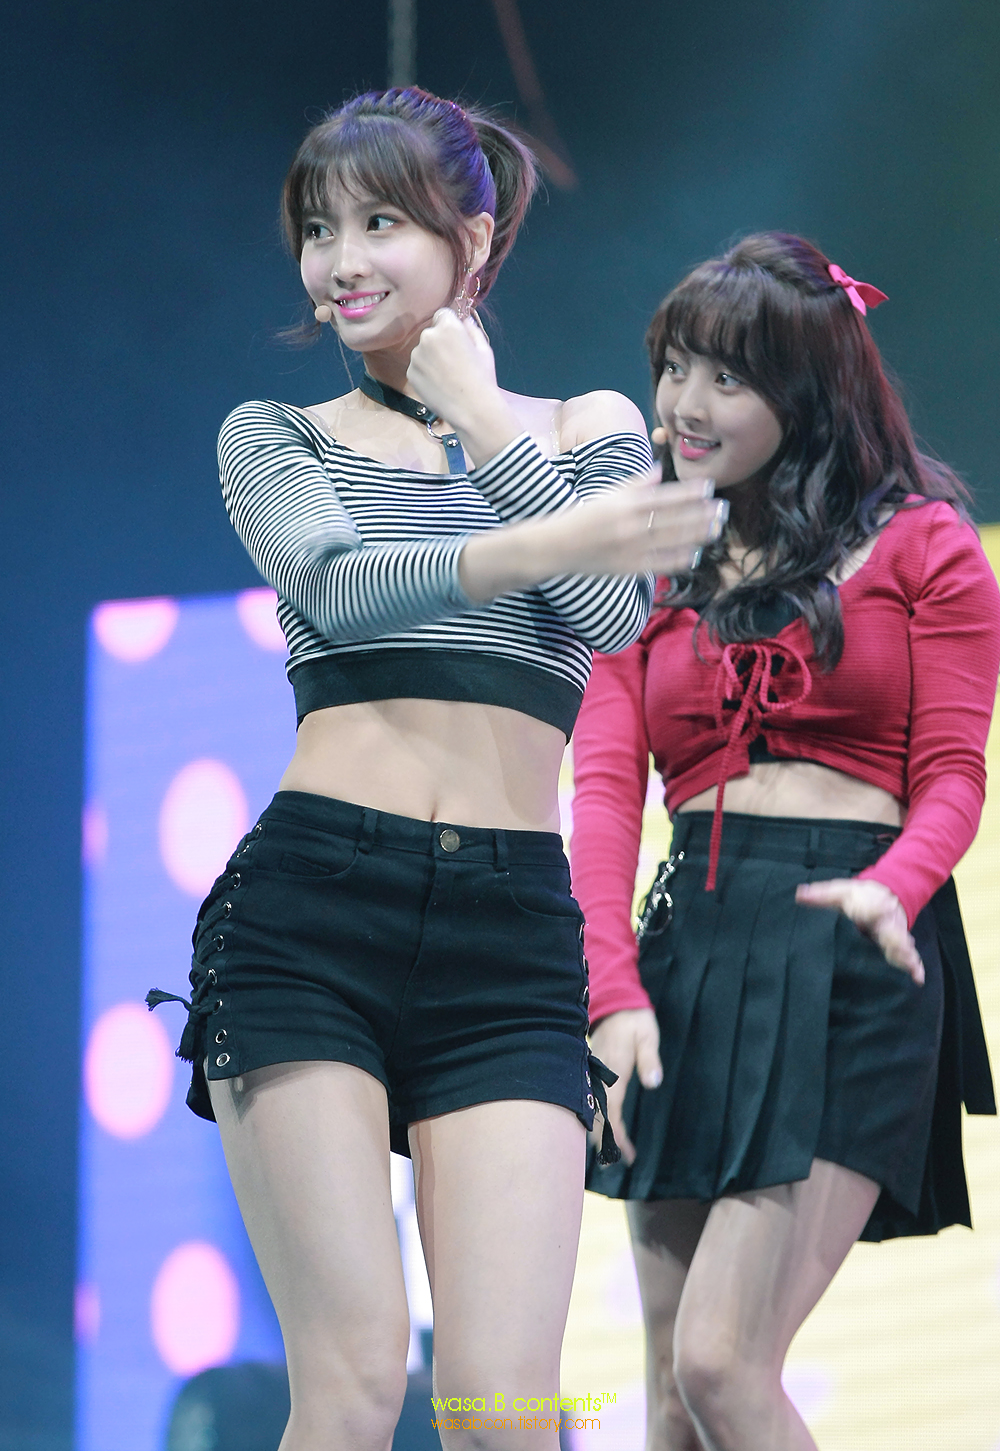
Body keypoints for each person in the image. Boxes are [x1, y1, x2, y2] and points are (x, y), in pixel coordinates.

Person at [148, 87, 723, 1451]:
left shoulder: (582, 426)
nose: (339, 261)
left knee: (502, 1412)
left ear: (471, 240)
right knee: (351, 1388)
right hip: (314, 909)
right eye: (317, 229)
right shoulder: (274, 435)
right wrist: (549, 540)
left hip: (508, 933)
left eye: (379, 224)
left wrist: (482, 422)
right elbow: (340, 589)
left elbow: (613, 619)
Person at [570, 232, 999, 1451]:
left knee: (721, 1364)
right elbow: (603, 792)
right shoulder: (646, 560)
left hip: (848, 945)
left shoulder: (924, 546)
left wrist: (895, 886)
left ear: (805, 394)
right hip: (688, 954)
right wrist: (610, 987)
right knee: (668, 1400)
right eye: (674, 368)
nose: (683, 405)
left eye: (727, 378)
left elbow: (951, 775)